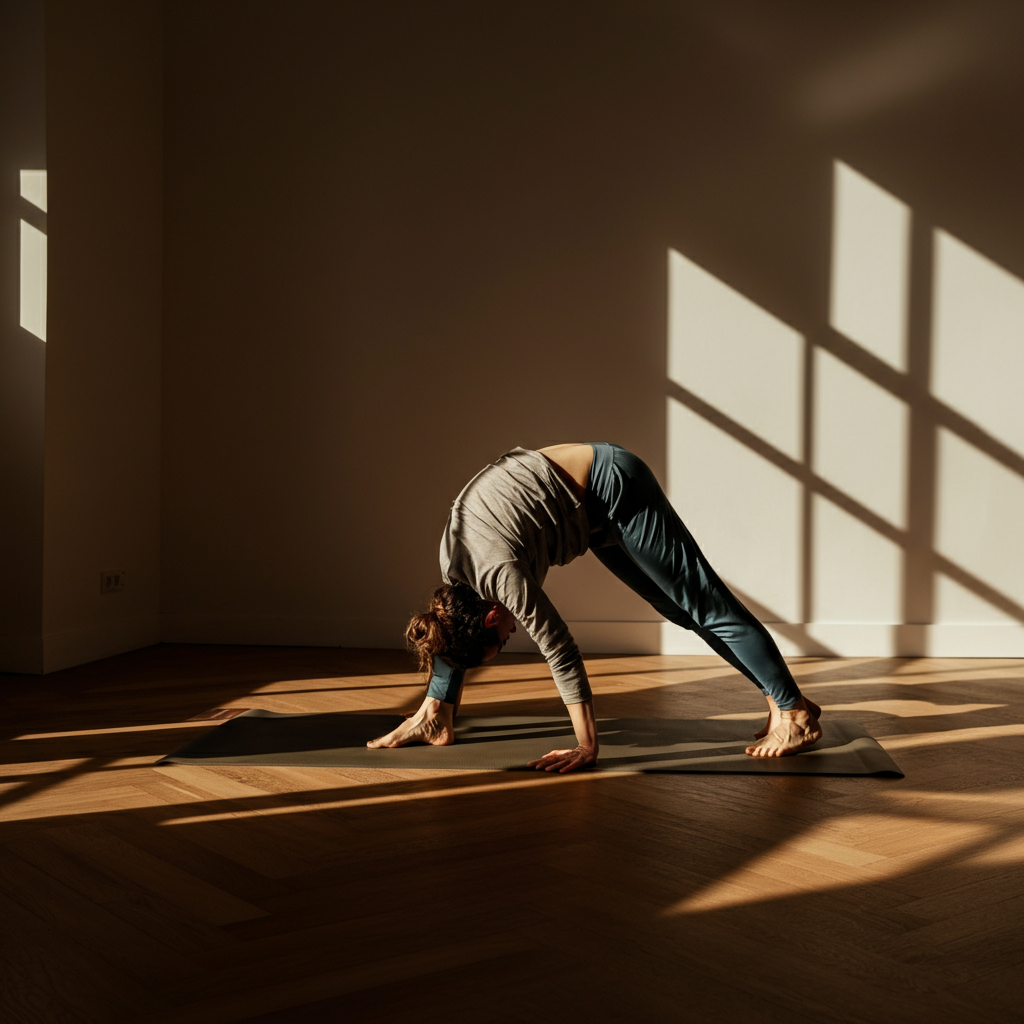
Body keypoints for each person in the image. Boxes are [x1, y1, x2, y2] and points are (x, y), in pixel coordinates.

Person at [367, 443, 821, 772]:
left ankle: (794, 710)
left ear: (492, 614)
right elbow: (450, 632)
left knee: (700, 604)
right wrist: (435, 706)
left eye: (502, 640)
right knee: (680, 611)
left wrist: (587, 746)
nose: (512, 634)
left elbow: (560, 650)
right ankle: (434, 718)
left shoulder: (501, 576)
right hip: (592, 517)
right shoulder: (455, 583)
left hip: (614, 486)